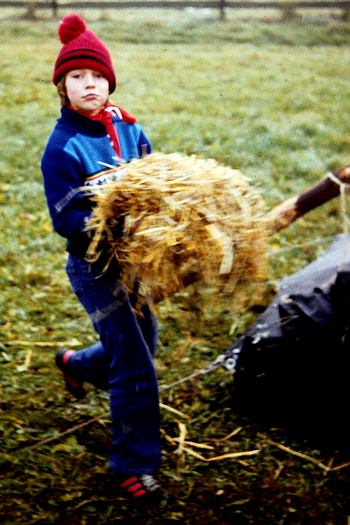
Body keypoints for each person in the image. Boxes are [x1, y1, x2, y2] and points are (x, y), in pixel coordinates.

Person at [41, 13, 167, 505]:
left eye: (96, 77)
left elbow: (150, 168)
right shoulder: (63, 148)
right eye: (77, 77)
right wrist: (112, 222)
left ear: (109, 82)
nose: (88, 85)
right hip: (95, 268)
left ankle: (77, 364)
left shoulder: (125, 126)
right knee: (135, 364)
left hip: (134, 259)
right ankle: (133, 466)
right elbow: (66, 220)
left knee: (145, 339)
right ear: (62, 86)